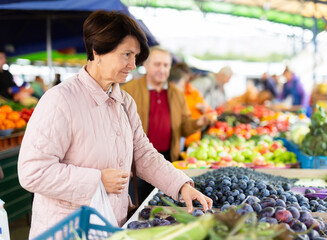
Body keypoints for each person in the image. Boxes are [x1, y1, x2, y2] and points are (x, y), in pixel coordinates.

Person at [18, 10, 212, 239]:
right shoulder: (60, 101)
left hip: (110, 226)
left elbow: (143, 154)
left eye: (135, 56)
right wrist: (96, 181)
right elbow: (33, 171)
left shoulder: (124, 102)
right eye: (126, 55)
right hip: (67, 230)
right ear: (98, 52)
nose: (133, 64)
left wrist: (181, 185)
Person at [121, 46, 208, 162]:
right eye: (157, 65)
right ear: (146, 66)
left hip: (168, 160)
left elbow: (183, 127)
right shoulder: (128, 91)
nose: (162, 70)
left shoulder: (177, 94)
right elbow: (118, 129)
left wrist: (197, 123)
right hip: (137, 161)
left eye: (166, 65)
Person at [168, 62, 211, 147]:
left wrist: (204, 110)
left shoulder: (193, 92)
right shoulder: (171, 95)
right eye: (185, 80)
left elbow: (208, 110)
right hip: (177, 140)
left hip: (192, 138)